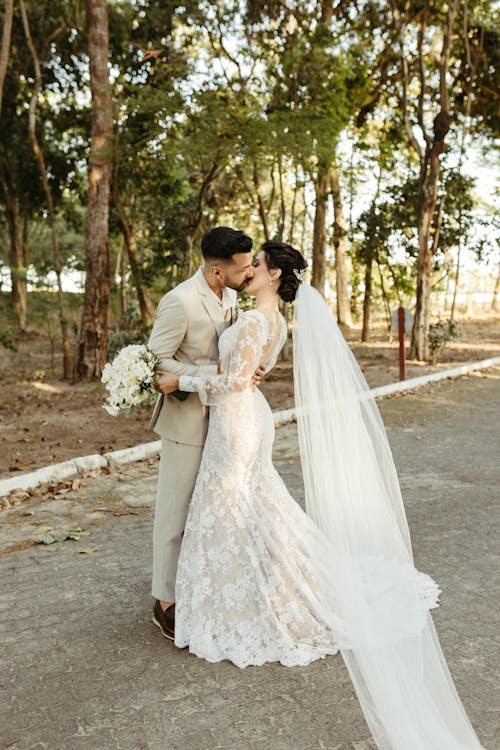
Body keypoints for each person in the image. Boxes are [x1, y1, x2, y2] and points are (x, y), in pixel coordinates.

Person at [156, 240, 485, 750]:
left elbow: (236, 383)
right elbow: (245, 375)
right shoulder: (273, 321)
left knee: (231, 505)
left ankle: (251, 599)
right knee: (249, 507)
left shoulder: (256, 321)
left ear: (271, 275)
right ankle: (254, 584)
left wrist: (181, 379)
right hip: (242, 420)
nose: (249, 270)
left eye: (257, 265)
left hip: (236, 422)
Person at [148, 226, 262, 640]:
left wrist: (245, 368)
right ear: (217, 270)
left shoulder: (231, 297)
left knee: (206, 513)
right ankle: (163, 602)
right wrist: (213, 373)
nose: (249, 273)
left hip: (224, 420)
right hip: (186, 422)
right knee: (174, 515)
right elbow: (156, 362)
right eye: (244, 267)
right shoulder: (179, 301)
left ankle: (193, 586)